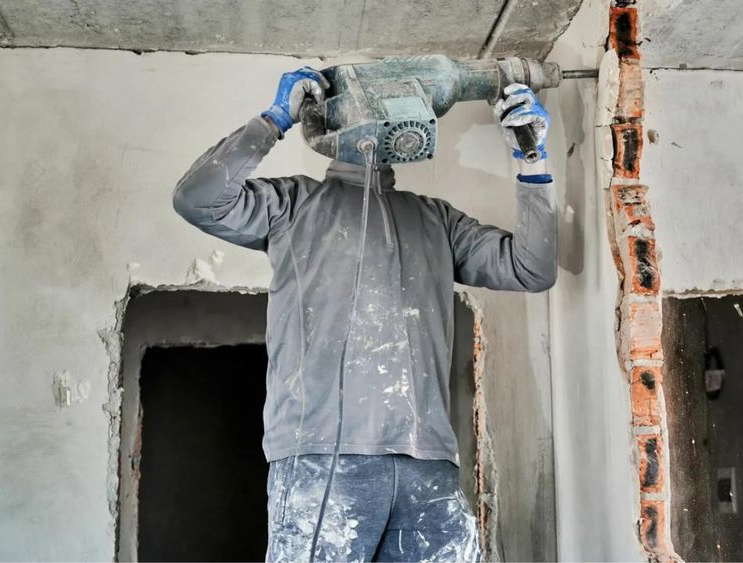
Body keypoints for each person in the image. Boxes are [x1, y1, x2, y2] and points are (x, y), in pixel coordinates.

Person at [172, 66, 557, 562]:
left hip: (426, 463)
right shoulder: (292, 205)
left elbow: (531, 269)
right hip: (321, 460)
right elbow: (198, 200)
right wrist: (272, 120)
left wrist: (532, 157)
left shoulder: (436, 219)